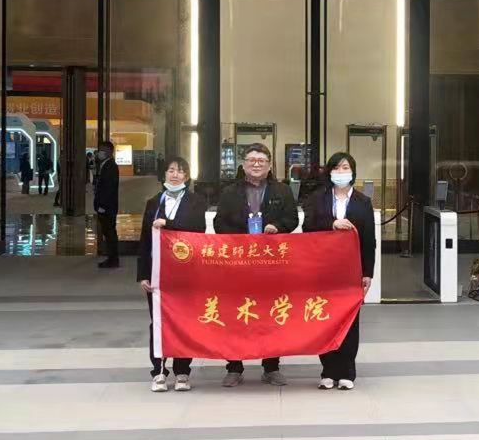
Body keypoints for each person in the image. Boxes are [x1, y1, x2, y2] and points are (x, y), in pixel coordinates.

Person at [213, 143, 298, 387]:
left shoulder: (282, 190)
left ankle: (271, 367)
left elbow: (292, 219)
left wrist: (277, 227)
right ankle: (234, 367)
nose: (256, 164)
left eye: (262, 160)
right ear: (243, 164)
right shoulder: (229, 192)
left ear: (269, 165)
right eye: (252, 160)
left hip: (271, 263)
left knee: (271, 315)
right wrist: (241, 238)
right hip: (239, 263)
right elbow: (219, 224)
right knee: (236, 315)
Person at [303, 151, 375, 391]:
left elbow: (369, 240)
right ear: (329, 172)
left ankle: (347, 372)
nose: (341, 172)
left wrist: (368, 272)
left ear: (353, 172)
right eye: (336, 168)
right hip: (323, 270)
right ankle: (328, 370)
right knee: (325, 318)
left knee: (349, 320)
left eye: (345, 168)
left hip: (351, 271)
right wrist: (331, 223)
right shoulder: (317, 199)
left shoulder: (363, 202)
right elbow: (307, 227)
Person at [137, 156, 208, 393]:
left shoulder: (197, 201)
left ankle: (182, 371)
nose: (175, 175)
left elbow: (196, 229)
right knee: (158, 322)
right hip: (158, 272)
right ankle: (158, 371)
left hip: (186, 273)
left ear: (187, 176)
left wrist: (167, 224)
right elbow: (145, 240)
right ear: (164, 175)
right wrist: (143, 274)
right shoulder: (153, 202)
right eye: (170, 171)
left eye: (179, 171)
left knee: (184, 321)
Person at [94, 140, 121, 269]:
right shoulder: (105, 165)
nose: (100, 152)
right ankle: (112, 258)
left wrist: (102, 206)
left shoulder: (110, 166)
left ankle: (113, 259)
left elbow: (109, 188)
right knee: (108, 232)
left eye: (102, 150)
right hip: (106, 206)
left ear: (109, 151)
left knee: (109, 232)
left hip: (107, 207)